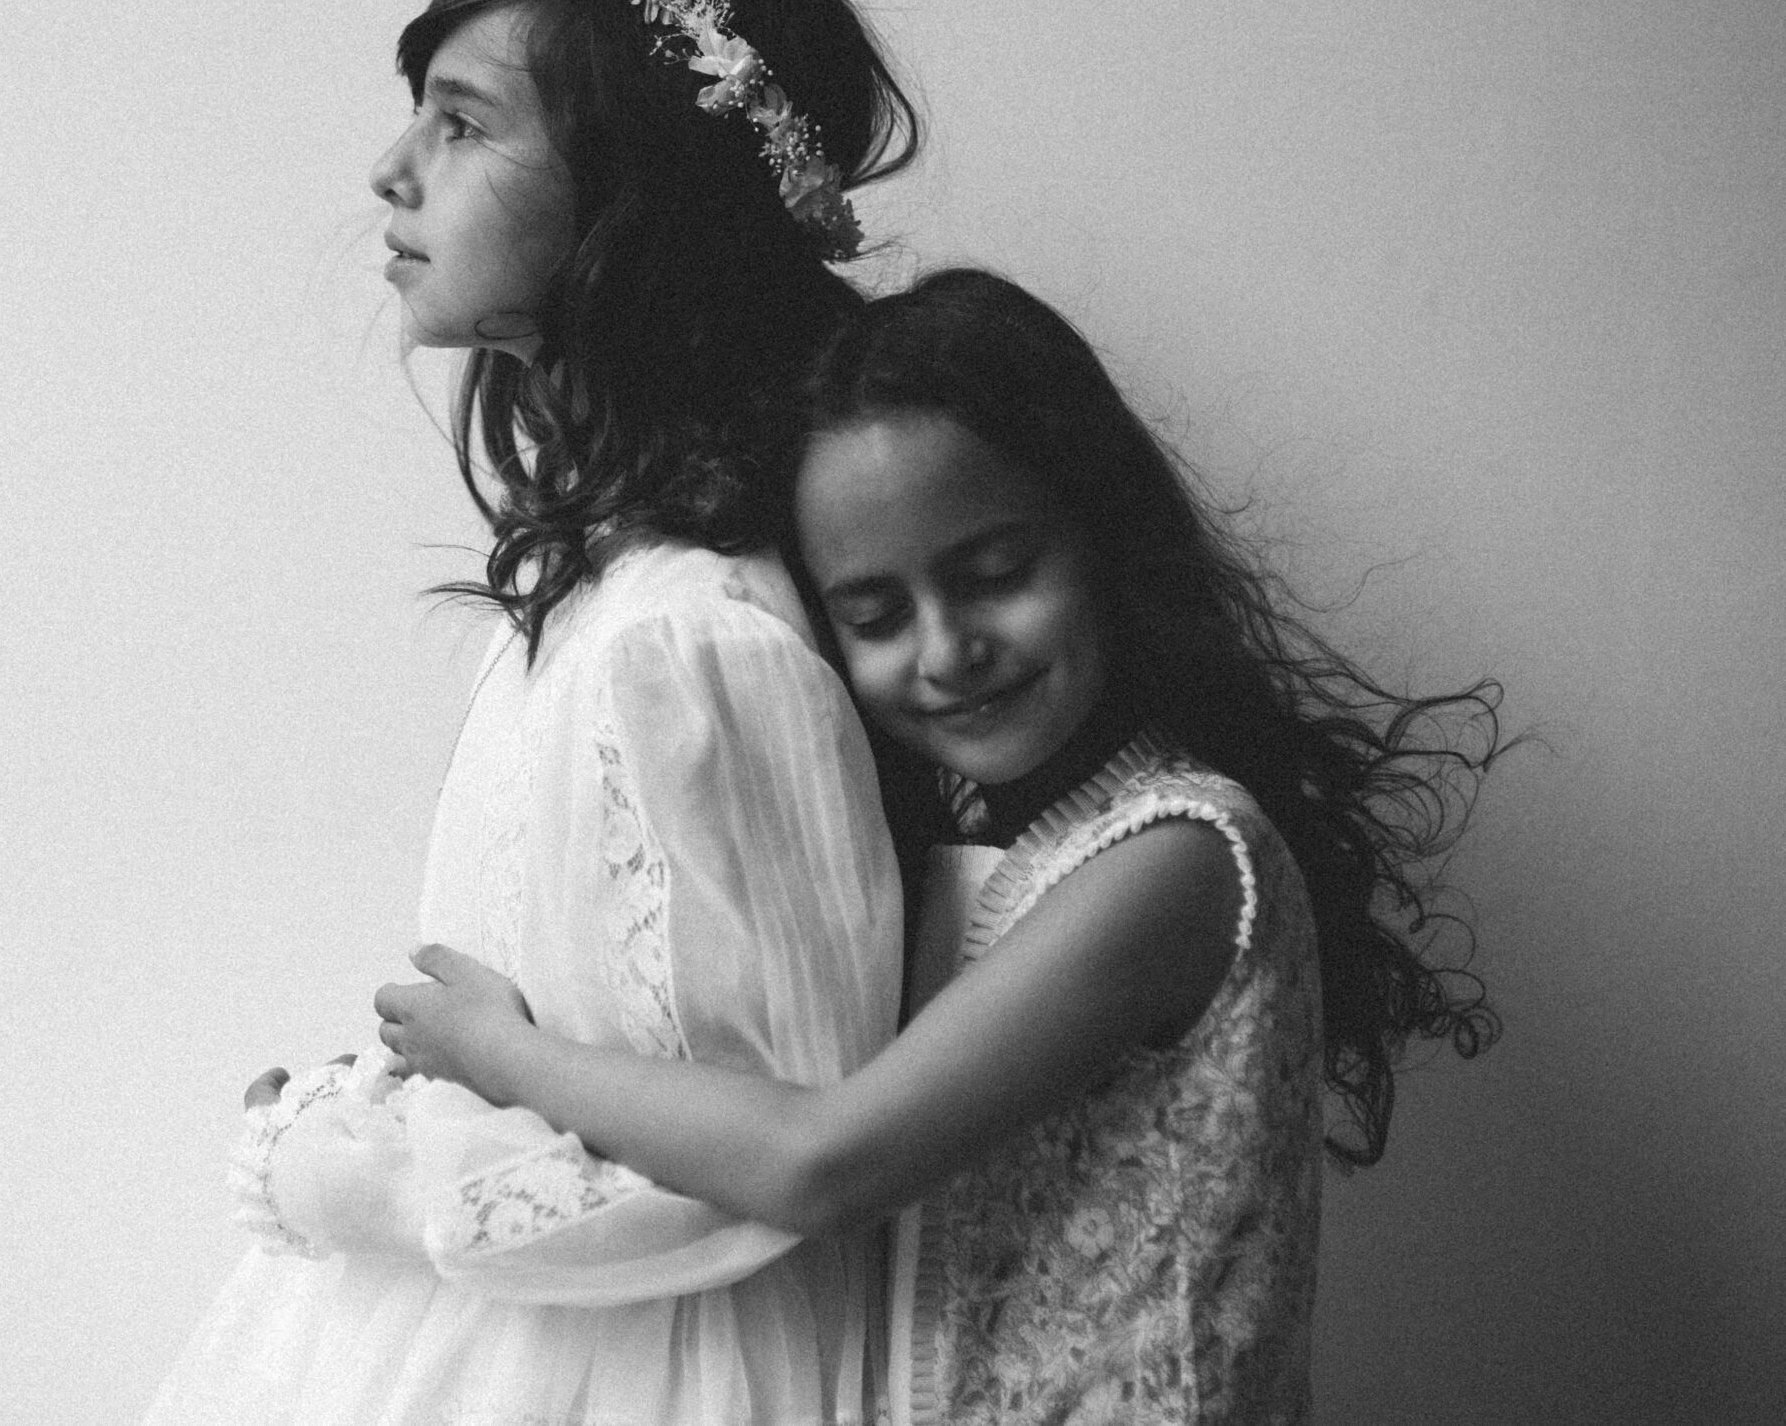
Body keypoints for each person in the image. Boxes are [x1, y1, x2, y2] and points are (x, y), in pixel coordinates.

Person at [379, 269, 1508, 1424]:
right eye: (876, 616)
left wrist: (500, 1053)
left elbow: (820, 1163)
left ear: (1104, 539)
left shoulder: (1175, 858)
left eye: (994, 575)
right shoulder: (973, 848)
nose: (947, 649)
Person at [142, 0, 921, 1426]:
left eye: (464, 122)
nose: (390, 171)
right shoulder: (600, 595)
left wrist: (362, 1170)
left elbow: (777, 1160)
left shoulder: (695, 641)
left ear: (635, 194)